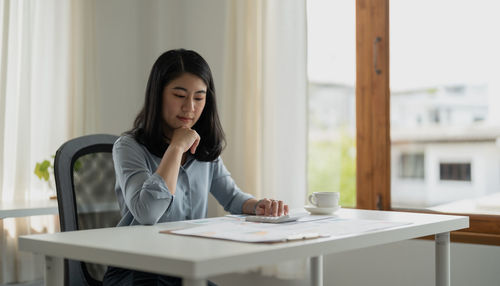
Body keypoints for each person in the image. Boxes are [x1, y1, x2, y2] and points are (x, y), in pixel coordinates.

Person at [103, 49, 289, 286]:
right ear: (157, 95)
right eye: (179, 95)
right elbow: (147, 213)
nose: (189, 107)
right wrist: (176, 148)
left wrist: (259, 206)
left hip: (182, 270)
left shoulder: (204, 149)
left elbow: (233, 199)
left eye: (199, 98)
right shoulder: (128, 147)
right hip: (138, 271)